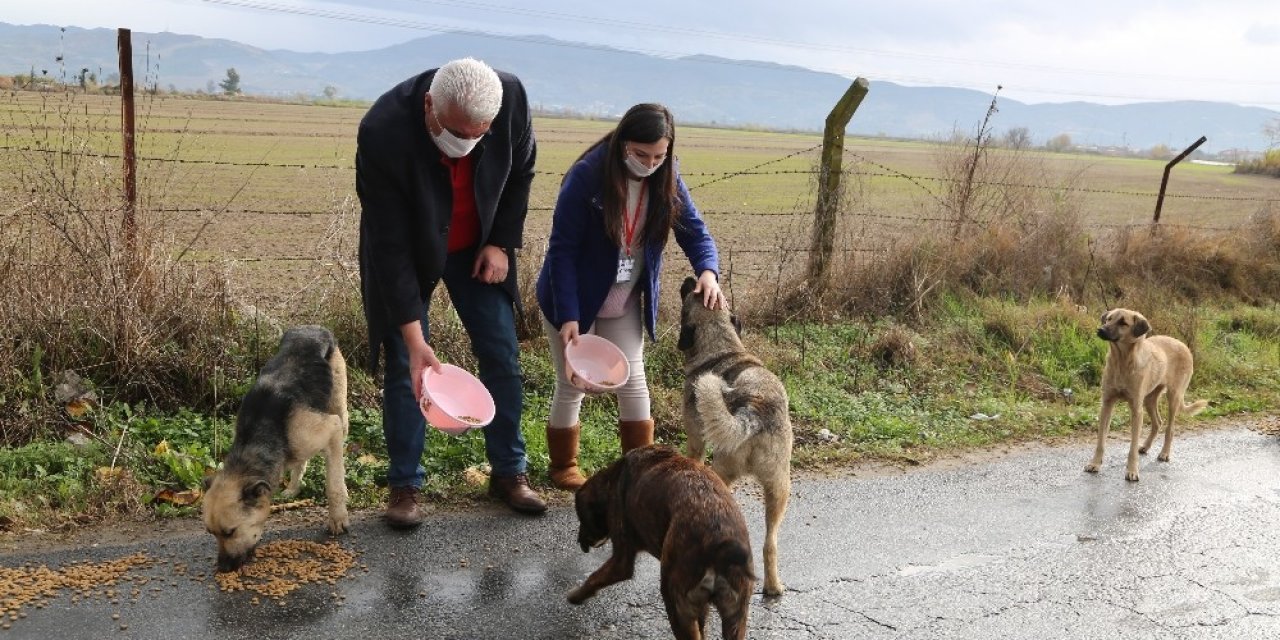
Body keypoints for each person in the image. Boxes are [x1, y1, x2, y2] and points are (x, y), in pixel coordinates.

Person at [356, 57, 545, 527]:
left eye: (477, 134)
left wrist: (501, 241)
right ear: (428, 106)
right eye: (456, 133)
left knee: (502, 354)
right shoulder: (382, 130)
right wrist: (414, 335)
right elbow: (390, 245)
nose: (465, 146)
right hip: (411, 250)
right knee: (408, 365)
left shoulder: (512, 100)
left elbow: (520, 174)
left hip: (478, 246)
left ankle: (509, 472)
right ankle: (404, 485)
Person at [535, 103, 727, 490]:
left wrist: (708, 271)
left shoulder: (668, 176)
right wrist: (570, 317)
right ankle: (563, 468)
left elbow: (694, 230)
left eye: (659, 156)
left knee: (634, 382)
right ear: (623, 143)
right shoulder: (587, 176)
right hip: (573, 299)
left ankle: (639, 474)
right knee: (573, 383)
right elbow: (562, 252)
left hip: (622, 300)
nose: (650, 164)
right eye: (641, 155)